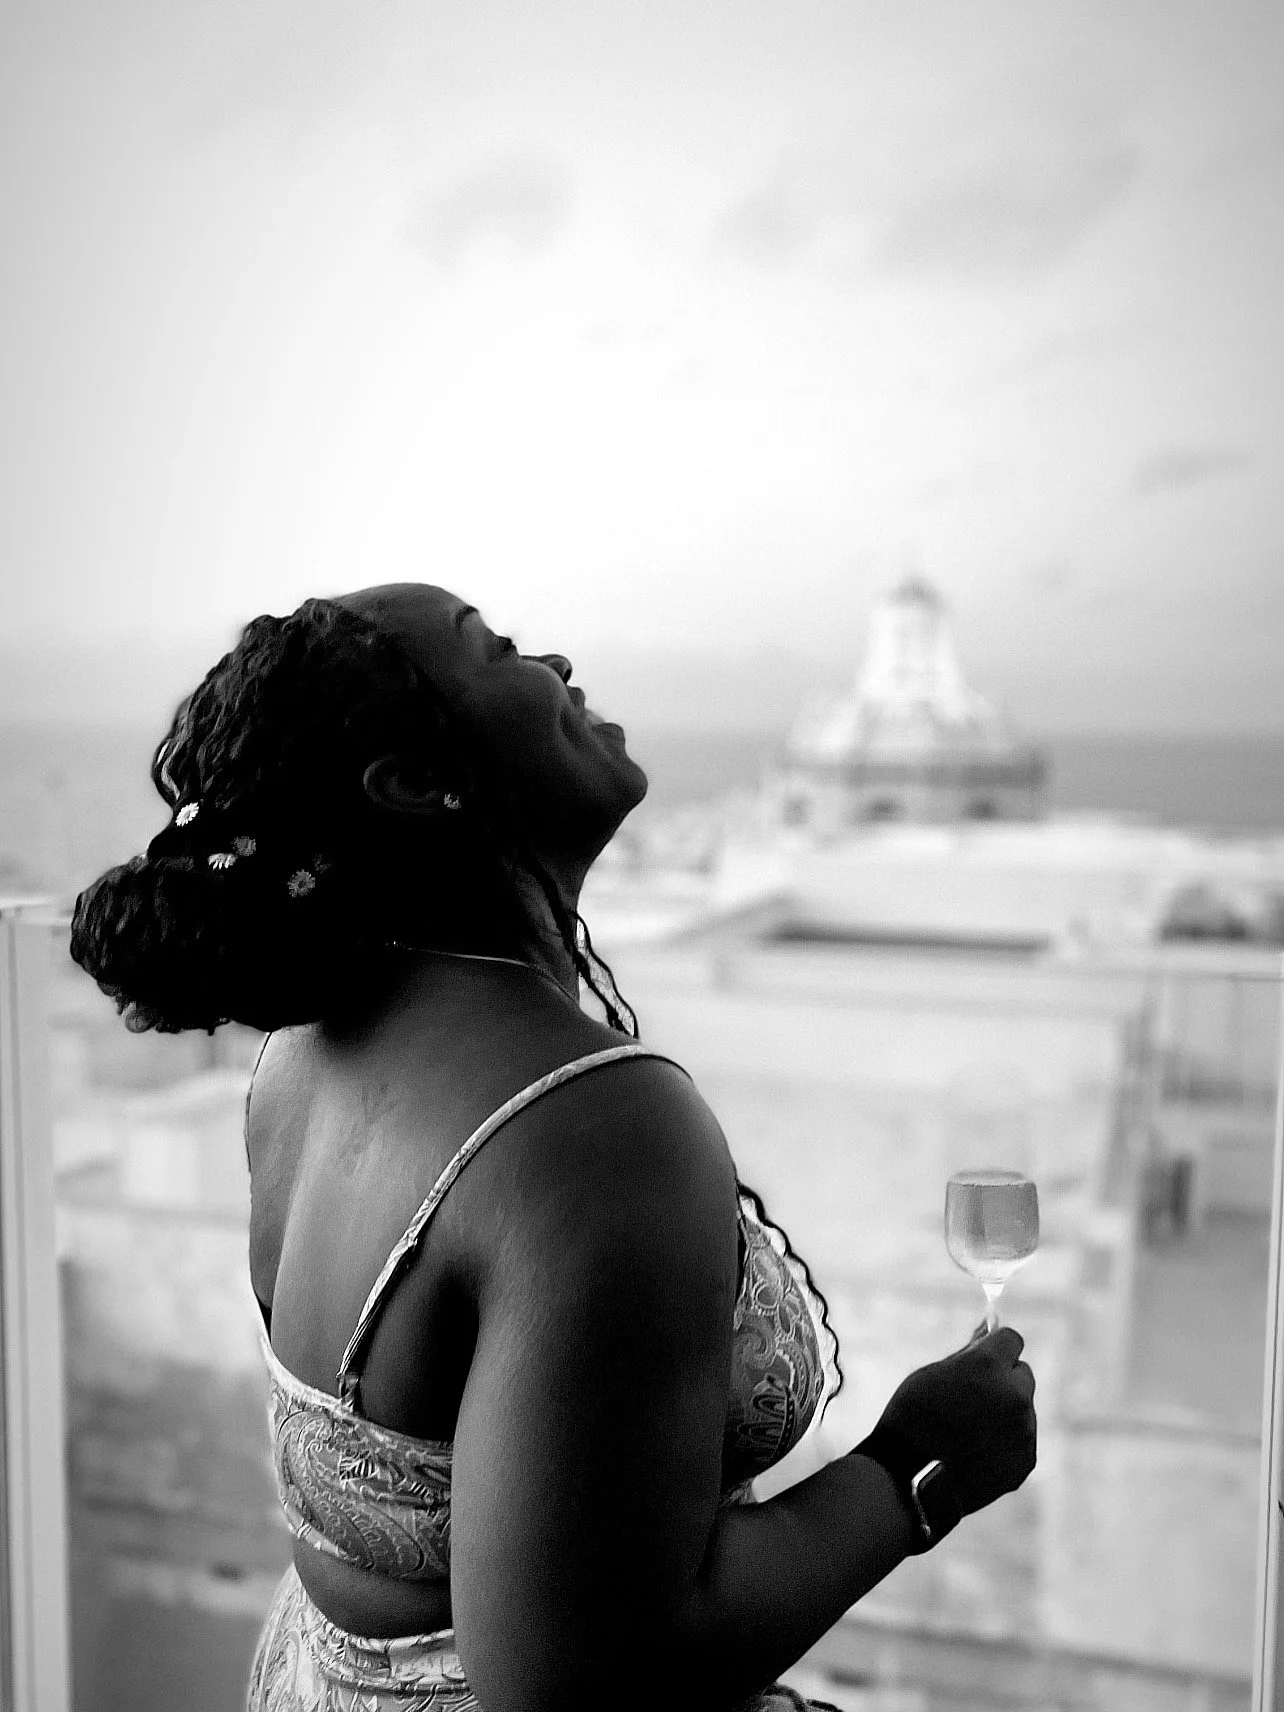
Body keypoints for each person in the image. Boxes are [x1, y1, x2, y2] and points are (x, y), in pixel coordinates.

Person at [70, 584, 1037, 1712]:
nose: (560, 661)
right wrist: (913, 1471)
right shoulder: (591, 1130)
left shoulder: (300, 1057)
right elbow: (582, 1683)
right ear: (415, 785)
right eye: (501, 651)